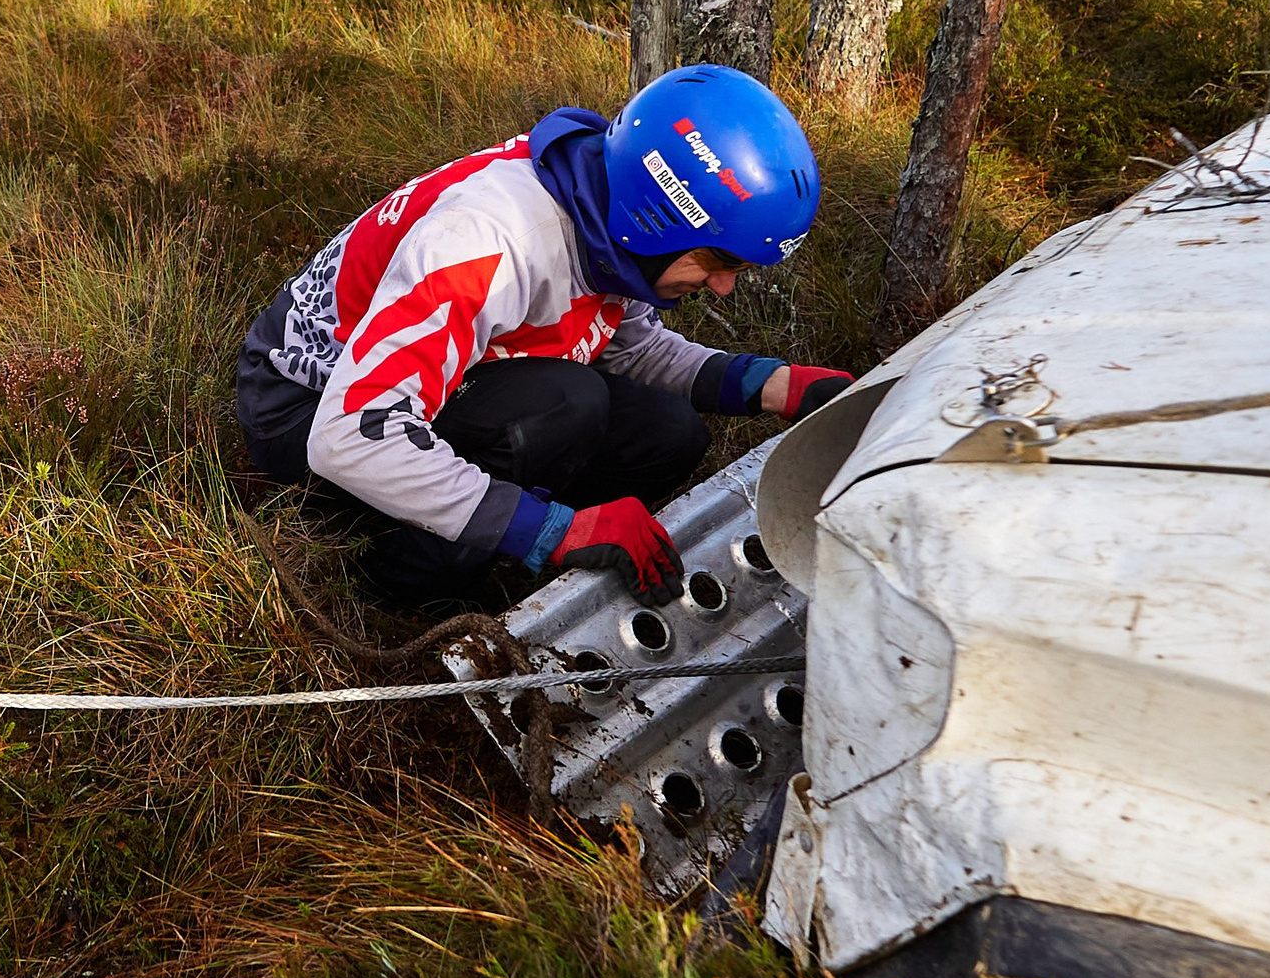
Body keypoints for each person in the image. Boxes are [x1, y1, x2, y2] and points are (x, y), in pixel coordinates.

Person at [234, 65, 854, 609]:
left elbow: (629, 348)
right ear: (661, 216)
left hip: (423, 390)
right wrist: (554, 533)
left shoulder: (606, 215)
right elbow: (349, 437)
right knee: (565, 403)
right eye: (718, 260)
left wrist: (774, 387)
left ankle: (513, 529)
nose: (722, 287)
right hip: (305, 409)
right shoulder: (485, 244)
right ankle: (403, 587)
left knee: (671, 433)